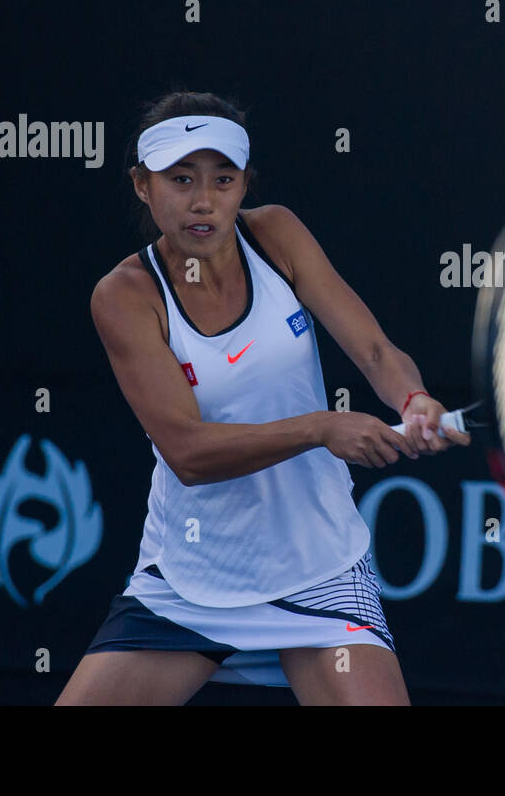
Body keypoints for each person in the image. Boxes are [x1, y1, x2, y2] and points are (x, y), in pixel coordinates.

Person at [56, 91, 468, 706]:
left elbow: (377, 353)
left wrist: (414, 399)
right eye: (180, 179)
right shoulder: (124, 295)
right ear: (143, 185)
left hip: (317, 566)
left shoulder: (276, 234)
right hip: (192, 575)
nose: (202, 200)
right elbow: (187, 453)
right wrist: (321, 428)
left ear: (245, 183)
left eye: (223, 179)